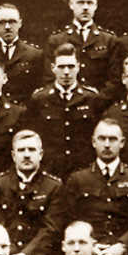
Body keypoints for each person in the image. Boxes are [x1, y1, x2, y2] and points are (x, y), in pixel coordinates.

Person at [62, 119, 128, 255]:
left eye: (112, 139)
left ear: (122, 143)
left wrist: (123, 246)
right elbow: (70, 219)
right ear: (93, 142)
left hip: (124, 252)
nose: (107, 144)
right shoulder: (78, 179)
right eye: (102, 139)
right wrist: (90, 246)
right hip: (87, 248)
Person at [0, 130, 64, 255]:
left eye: (31, 150)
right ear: (13, 155)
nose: (27, 155)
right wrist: (9, 254)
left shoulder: (53, 186)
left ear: (40, 154)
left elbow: (51, 229)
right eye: (21, 150)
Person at [26, 43, 103, 179]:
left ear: (78, 67)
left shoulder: (91, 98)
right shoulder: (40, 99)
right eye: (61, 67)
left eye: (71, 66)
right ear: (53, 68)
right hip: (50, 171)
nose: (66, 72)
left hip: (83, 170)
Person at [45, 0, 116, 103]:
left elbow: (114, 80)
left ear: (96, 5)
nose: (85, 7)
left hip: (99, 105)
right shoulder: (57, 40)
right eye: (81, 2)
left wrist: (97, 102)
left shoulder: (108, 40)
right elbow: (49, 78)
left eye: (90, 3)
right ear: (71, 4)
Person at [0, 3, 45, 106]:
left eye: (12, 22)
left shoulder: (35, 55)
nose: (7, 27)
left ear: (20, 24)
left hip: (24, 111)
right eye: (2, 22)